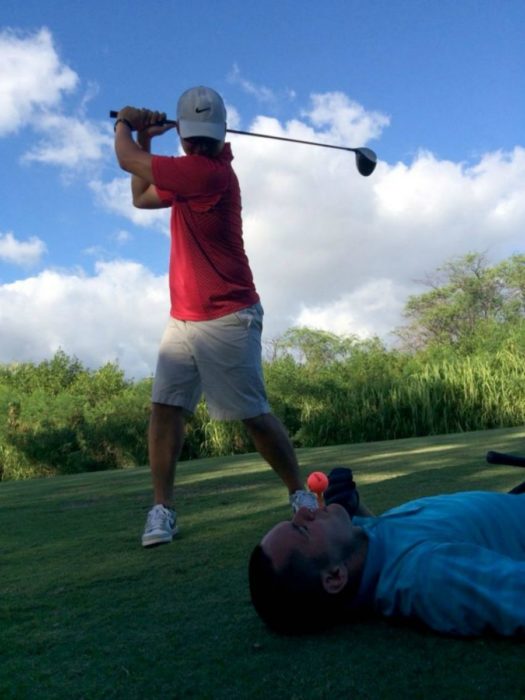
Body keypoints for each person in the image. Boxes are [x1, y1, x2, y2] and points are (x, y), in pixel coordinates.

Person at [113, 86, 316, 548]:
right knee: (165, 409)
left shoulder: (209, 174)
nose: (200, 144)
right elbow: (142, 197)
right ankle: (161, 509)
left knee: (252, 415)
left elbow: (126, 162)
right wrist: (147, 138)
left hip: (229, 315)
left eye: (204, 138)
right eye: (196, 137)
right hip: (182, 319)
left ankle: (300, 494)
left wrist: (126, 123)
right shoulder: (190, 172)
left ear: (211, 137)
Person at [249, 468, 525, 637]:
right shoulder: (428, 575)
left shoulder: (369, 542)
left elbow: (393, 541)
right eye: (303, 530)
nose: (306, 512)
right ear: (335, 576)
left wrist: (352, 508)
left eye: (294, 519)